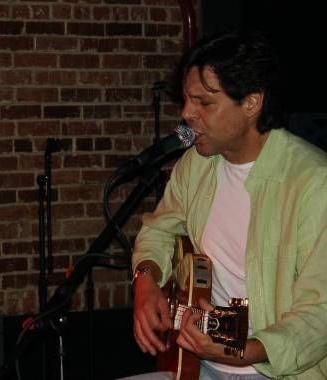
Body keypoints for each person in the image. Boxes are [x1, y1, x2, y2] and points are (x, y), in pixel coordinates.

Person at [129, 30, 327, 379]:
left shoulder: (313, 182)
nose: (187, 114)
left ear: (252, 103)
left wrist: (244, 352)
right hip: (196, 363)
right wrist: (145, 281)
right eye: (187, 100)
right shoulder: (196, 164)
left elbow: (320, 313)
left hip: (278, 372)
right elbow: (158, 228)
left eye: (204, 102)